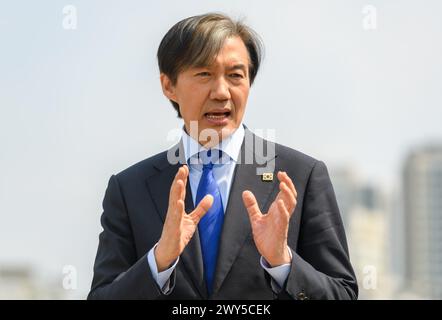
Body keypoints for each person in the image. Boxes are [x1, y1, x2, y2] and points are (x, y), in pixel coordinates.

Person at [88, 13, 358, 300]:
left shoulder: (300, 177)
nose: (221, 92)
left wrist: (283, 263)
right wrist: (159, 261)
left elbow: (343, 294)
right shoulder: (130, 188)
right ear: (169, 86)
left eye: (235, 76)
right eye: (204, 74)